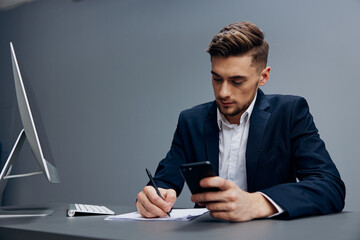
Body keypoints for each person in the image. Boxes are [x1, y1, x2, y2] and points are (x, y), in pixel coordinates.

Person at [136, 21, 345, 222]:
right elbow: (163, 183)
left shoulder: (291, 113)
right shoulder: (190, 121)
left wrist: (256, 203)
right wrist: (152, 198)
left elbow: (329, 186)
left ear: (263, 76)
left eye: (237, 81)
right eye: (217, 79)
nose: (223, 92)